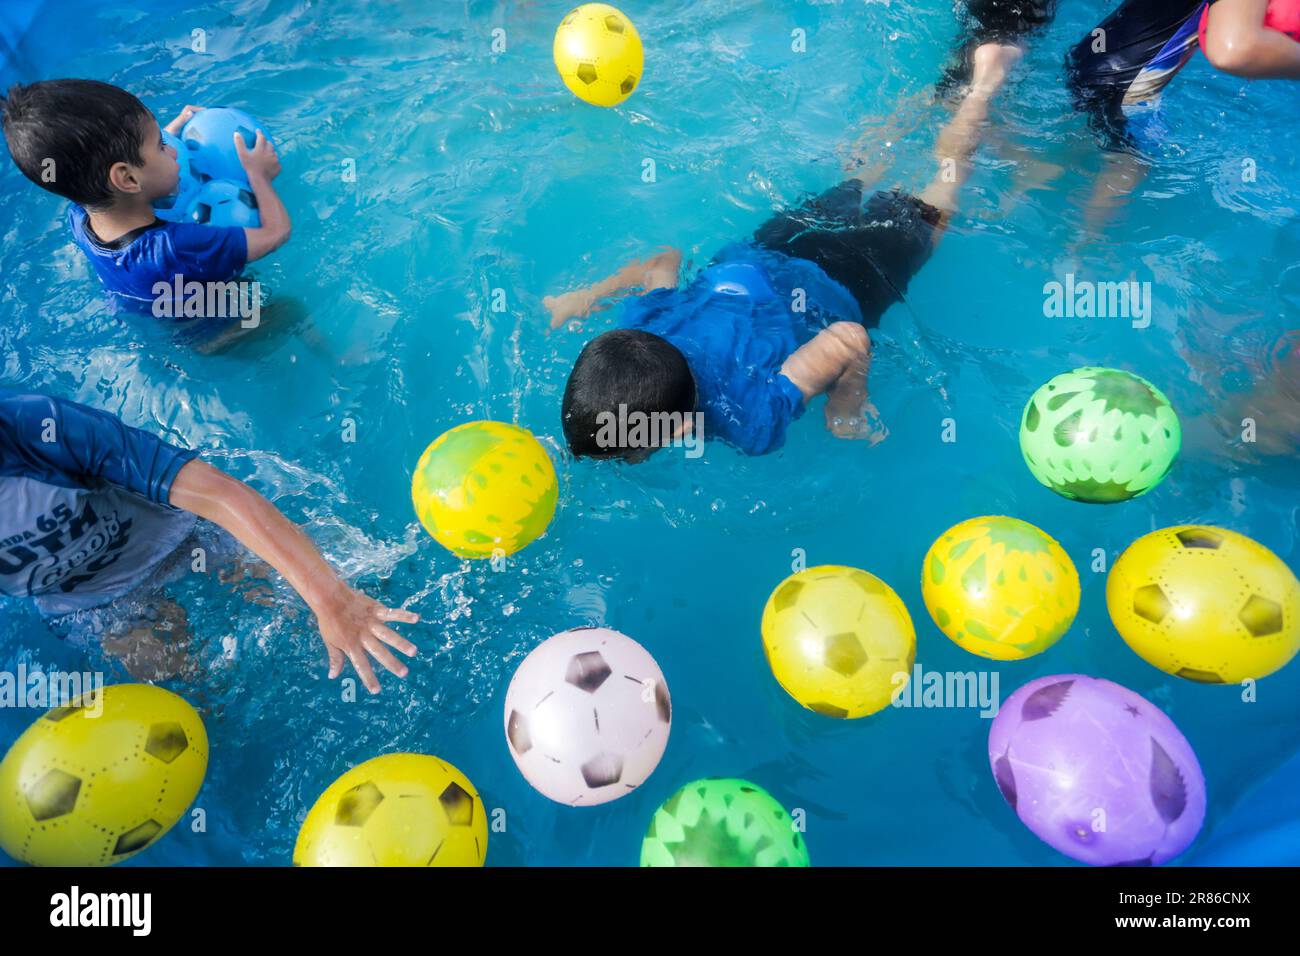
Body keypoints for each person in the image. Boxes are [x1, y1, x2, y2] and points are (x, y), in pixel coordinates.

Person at [547, 42, 1026, 460]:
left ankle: (983, 85)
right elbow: (663, 260)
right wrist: (592, 293)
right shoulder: (642, 327)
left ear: (682, 429)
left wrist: (846, 404)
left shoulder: (749, 418)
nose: (630, 458)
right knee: (861, 170)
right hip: (771, 248)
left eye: (633, 452)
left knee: (936, 200)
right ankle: (927, 99)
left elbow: (848, 338)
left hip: (848, 278)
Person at [0, 388, 416, 693]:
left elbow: (219, 495)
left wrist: (330, 598)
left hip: (184, 536)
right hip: (95, 604)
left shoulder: (37, 428)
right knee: (199, 697)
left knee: (342, 607)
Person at [0, 79, 290, 311]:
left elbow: (115, 168)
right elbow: (276, 234)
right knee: (285, 311)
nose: (175, 150)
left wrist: (172, 128)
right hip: (215, 330)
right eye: (162, 146)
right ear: (126, 178)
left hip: (141, 306)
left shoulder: (80, 215)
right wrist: (259, 176)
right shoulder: (179, 247)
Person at [1066, 0, 1300, 237]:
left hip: (1095, 60)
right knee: (1130, 163)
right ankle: (1082, 249)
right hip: (1126, 91)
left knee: (1074, 156)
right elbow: (1235, 50)